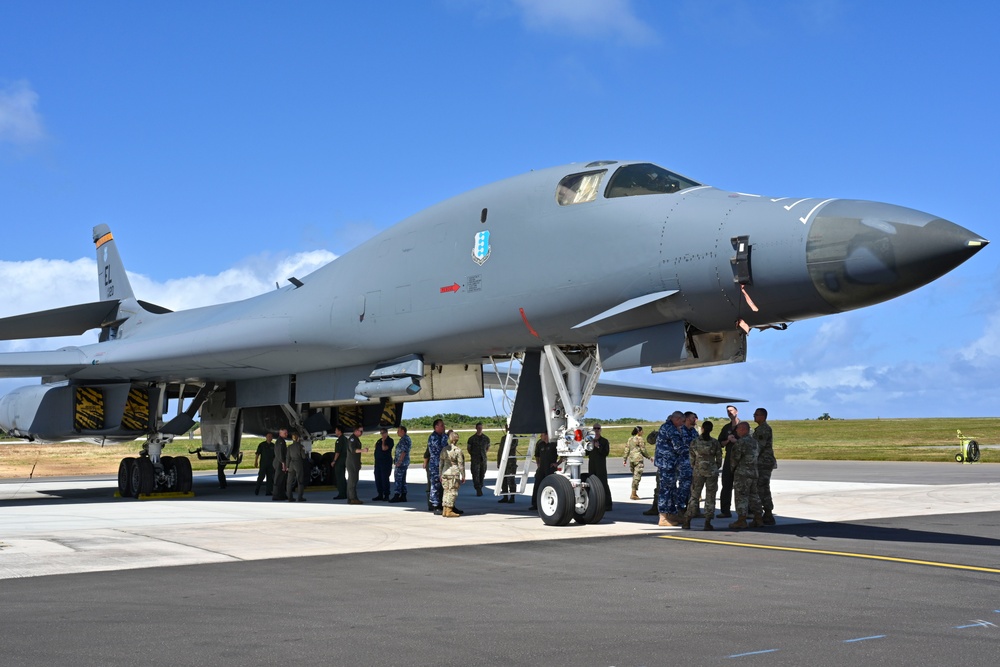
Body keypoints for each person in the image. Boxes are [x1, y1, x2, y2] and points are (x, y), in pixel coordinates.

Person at [683, 421, 722, 531]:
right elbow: (719, 459)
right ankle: (707, 521)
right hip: (712, 472)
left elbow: (691, 459)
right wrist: (714, 466)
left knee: (695, 496)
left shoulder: (695, 442)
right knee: (710, 497)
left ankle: (687, 519)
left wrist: (696, 466)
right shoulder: (715, 443)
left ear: (703, 428)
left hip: (698, 471)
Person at [728, 421, 763, 530]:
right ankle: (758, 518)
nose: (737, 430)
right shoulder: (754, 442)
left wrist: (732, 469)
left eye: (738, 428)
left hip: (742, 473)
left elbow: (734, 458)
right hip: (753, 472)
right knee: (754, 496)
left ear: (743, 429)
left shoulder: (741, 442)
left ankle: (741, 520)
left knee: (741, 496)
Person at [655, 411, 685, 526]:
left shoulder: (667, 426)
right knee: (666, 490)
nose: (682, 424)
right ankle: (663, 517)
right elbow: (679, 447)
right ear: (677, 419)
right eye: (681, 421)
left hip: (669, 463)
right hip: (666, 463)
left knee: (671, 489)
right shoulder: (671, 429)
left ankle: (671, 514)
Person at [753, 407, 777, 525]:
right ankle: (766, 512)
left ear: (762, 416)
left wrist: (750, 458)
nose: (754, 416)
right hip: (762, 462)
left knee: (762, 487)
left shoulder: (763, 430)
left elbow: (759, 447)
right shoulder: (760, 429)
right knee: (761, 487)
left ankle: (767, 512)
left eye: (756, 414)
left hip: (763, 462)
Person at [717, 405, 740, 518]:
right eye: (728, 411)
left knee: (742, 486)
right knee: (726, 485)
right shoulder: (726, 428)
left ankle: (746, 512)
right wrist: (727, 441)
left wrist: (736, 441)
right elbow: (720, 443)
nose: (729, 413)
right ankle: (725, 510)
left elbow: (749, 443)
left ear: (736, 412)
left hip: (741, 461)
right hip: (729, 459)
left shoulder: (744, 427)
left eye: (731, 410)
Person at [439, 430, 466, 517]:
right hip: (453, 473)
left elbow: (441, 463)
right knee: (452, 492)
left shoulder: (444, 449)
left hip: (445, 472)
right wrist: (463, 475)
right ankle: (449, 510)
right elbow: (461, 464)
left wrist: (440, 474)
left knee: (446, 491)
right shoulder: (457, 450)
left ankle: (445, 509)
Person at [530, 432, 558, 511]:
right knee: (537, 484)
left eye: (542, 435)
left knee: (550, 485)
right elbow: (537, 455)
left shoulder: (554, 444)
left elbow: (563, 456)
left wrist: (557, 463)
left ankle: (550, 502)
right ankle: (535, 504)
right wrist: (538, 463)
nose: (540, 436)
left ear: (546, 435)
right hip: (541, 467)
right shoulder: (540, 443)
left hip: (550, 468)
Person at [623, 426, 652, 500]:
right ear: (639, 432)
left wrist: (625, 459)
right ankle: (633, 494)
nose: (643, 432)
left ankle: (634, 493)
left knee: (634, 477)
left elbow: (627, 449)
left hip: (632, 459)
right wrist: (649, 457)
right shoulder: (640, 439)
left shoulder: (630, 439)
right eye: (642, 431)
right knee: (637, 477)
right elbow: (643, 450)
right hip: (638, 460)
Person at [588, 424, 612, 511]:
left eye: (598, 428)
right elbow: (587, 453)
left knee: (603, 484)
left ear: (600, 430)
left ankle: (607, 504)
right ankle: (594, 503)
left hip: (600, 465)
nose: (596, 430)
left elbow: (606, 453)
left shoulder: (604, 441)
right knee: (592, 483)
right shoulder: (590, 441)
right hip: (592, 465)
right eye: (595, 428)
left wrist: (598, 447)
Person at [426, 419, 448, 514]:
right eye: (442, 425)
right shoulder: (433, 437)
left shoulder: (440, 436)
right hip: (435, 465)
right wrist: (446, 435)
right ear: (436, 427)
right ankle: (435, 505)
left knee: (441, 485)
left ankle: (441, 504)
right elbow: (442, 447)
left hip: (441, 464)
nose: (444, 427)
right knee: (435, 485)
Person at [466, 422, 491, 496]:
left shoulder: (486, 438)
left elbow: (487, 448)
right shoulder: (471, 439)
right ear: (476, 428)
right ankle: (478, 488)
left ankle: (481, 486)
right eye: (478, 428)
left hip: (483, 459)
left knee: (482, 473)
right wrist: (473, 455)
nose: (480, 429)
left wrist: (483, 454)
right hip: (475, 459)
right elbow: (468, 449)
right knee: (475, 474)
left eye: (481, 428)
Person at [388, 425, 411, 503]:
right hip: (404, 462)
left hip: (402, 463)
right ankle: (403, 495)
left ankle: (397, 495)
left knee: (398, 479)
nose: (397, 432)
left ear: (403, 431)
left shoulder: (404, 440)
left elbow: (403, 452)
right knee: (403, 479)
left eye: (398, 431)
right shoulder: (406, 439)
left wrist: (399, 461)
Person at [497, 427, 519, 504]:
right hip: (503, 462)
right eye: (507, 428)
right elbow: (500, 451)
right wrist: (498, 462)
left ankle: (512, 496)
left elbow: (510, 447)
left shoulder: (514, 438)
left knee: (511, 479)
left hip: (511, 462)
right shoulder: (503, 438)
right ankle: (505, 496)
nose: (508, 430)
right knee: (503, 480)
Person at [346, 425, 367, 505]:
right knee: (352, 481)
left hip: (355, 462)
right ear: (356, 431)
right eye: (360, 431)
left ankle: (352, 498)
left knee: (354, 480)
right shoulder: (352, 439)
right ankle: (352, 498)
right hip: (352, 463)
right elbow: (353, 450)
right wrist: (363, 450)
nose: (361, 433)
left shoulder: (356, 439)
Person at [372, 427, 394, 501]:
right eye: (381, 433)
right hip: (378, 462)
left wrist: (384, 441)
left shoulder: (390, 441)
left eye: (383, 433)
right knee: (378, 478)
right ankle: (380, 494)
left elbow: (384, 448)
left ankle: (386, 495)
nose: (382, 434)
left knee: (385, 478)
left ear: (387, 433)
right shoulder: (379, 441)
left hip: (385, 462)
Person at [285, 432, 308, 502]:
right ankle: (300, 497)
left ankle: (289, 497)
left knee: (289, 482)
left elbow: (287, 457)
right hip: (298, 463)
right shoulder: (300, 446)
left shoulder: (289, 447)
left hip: (291, 464)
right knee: (300, 481)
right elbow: (303, 457)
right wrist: (305, 453)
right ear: (298, 439)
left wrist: (287, 466)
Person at [254, 432, 275, 496]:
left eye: (271, 437)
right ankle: (257, 489)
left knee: (270, 478)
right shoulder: (262, 445)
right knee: (261, 477)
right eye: (268, 436)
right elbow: (257, 454)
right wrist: (256, 461)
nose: (269, 438)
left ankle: (268, 491)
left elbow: (276, 455)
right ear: (266, 437)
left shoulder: (273, 445)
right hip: (263, 464)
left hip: (271, 464)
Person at [331, 425, 348, 500]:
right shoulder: (345, 439)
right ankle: (344, 492)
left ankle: (341, 494)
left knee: (339, 477)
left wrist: (334, 461)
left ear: (339, 431)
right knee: (343, 477)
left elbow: (337, 452)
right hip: (345, 459)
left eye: (336, 430)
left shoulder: (339, 440)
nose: (335, 431)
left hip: (340, 460)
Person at [272, 428, 289, 501]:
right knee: (278, 479)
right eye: (284, 433)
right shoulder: (280, 442)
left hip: (281, 462)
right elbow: (279, 453)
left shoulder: (282, 441)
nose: (286, 434)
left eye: (286, 433)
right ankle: (276, 495)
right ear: (280, 433)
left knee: (282, 479)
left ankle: (281, 494)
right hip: (279, 463)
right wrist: (283, 463)